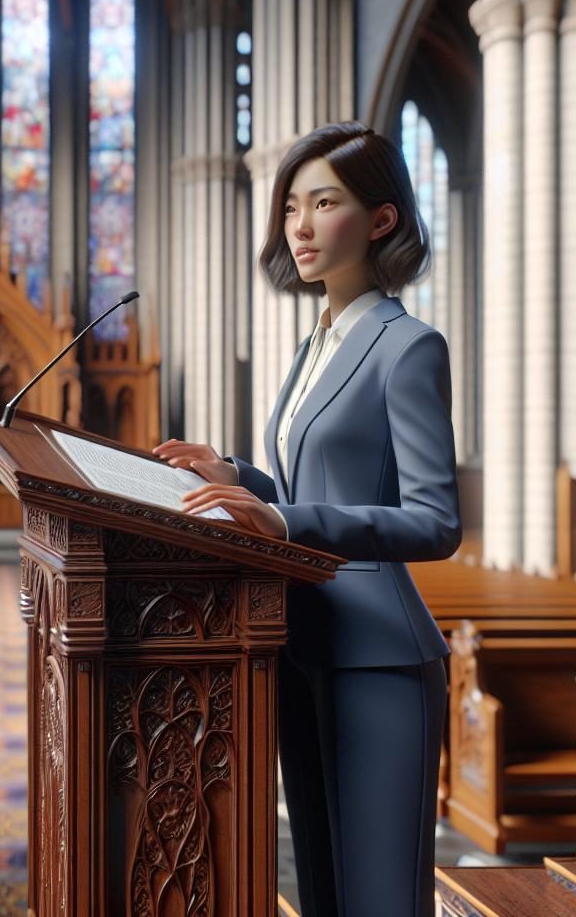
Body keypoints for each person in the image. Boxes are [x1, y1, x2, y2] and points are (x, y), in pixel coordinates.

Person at [151, 120, 461, 917]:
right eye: (292, 205)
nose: (300, 225)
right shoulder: (313, 344)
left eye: (325, 203)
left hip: (380, 658)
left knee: (381, 897)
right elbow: (304, 481)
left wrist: (285, 526)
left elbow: (434, 520)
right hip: (301, 644)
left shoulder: (408, 347)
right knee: (323, 889)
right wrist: (235, 478)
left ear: (381, 218)